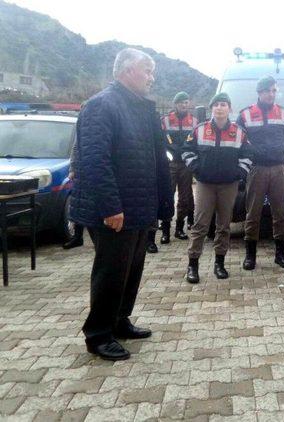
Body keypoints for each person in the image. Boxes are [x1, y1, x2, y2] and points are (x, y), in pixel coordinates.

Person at [69, 48, 173, 360]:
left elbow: (153, 158)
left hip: (139, 206)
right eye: (147, 70)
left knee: (132, 269)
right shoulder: (102, 105)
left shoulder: (140, 108)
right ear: (126, 71)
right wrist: (111, 207)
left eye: (152, 71)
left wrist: (162, 203)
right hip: (114, 210)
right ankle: (98, 334)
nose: (151, 77)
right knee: (111, 271)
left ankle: (119, 320)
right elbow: (95, 161)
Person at [182, 93, 252, 282]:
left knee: (224, 225)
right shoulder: (199, 129)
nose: (220, 108)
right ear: (212, 108)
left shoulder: (239, 132)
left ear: (229, 108)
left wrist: (239, 173)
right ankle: (193, 265)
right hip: (206, 184)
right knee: (200, 224)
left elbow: (247, 155)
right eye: (216, 105)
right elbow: (186, 150)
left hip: (228, 185)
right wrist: (197, 169)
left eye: (223, 104)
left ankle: (219, 264)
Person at [237, 76, 284, 270]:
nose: (271, 94)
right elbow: (240, 142)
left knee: (280, 213)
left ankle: (280, 254)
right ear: (259, 92)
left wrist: (283, 160)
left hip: (279, 169)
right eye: (267, 91)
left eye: (274, 91)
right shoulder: (245, 115)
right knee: (253, 213)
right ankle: (250, 256)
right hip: (257, 169)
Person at [146, 92, 198, 253]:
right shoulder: (165, 120)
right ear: (175, 104)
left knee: (184, 197)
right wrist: (170, 152)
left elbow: (195, 141)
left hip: (186, 164)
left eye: (186, 102)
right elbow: (160, 140)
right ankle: (166, 230)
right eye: (181, 102)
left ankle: (180, 228)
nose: (184, 105)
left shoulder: (194, 121)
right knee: (167, 195)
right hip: (170, 164)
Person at [62, 136, 84, 249]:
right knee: (78, 205)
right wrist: (72, 169)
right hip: (82, 172)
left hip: (94, 170)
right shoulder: (81, 127)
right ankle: (77, 236)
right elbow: (76, 148)